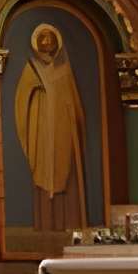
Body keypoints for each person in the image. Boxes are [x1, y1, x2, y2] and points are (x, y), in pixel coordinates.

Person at [14, 23, 88, 235]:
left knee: (66, 168)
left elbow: (74, 103)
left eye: (50, 38)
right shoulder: (32, 68)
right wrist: (35, 89)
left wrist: (74, 120)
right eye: (43, 39)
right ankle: (46, 224)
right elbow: (21, 100)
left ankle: (69, 224)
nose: (46, 42)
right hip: (42, 129)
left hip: (63, 130)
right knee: (44, 170)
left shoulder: (65, 69)